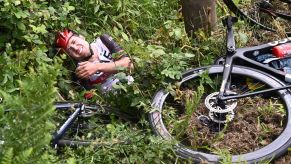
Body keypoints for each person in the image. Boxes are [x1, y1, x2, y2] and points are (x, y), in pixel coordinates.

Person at [55, 29, 134, 96]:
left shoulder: (103, 41)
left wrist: (97, 67)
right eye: (70, 50)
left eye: (74, 42)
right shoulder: (80, 72)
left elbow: (129, 65)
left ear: (81, 37)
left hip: (133, 87)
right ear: (71, 56)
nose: (75, 48)